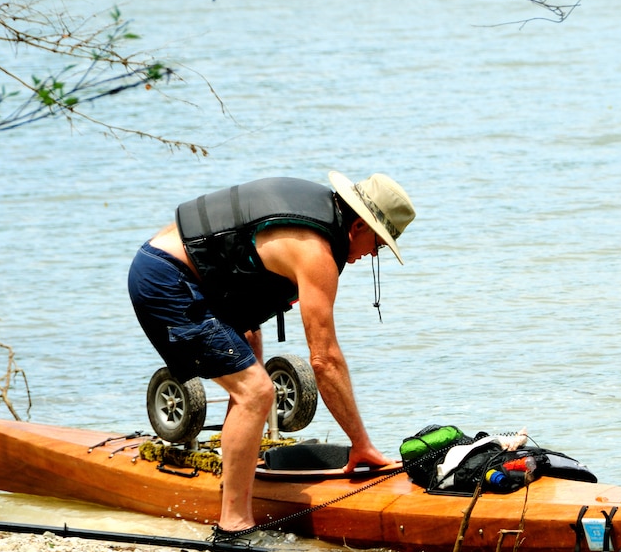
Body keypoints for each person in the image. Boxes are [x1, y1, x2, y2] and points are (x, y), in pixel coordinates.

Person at [127, 171, 416, 533]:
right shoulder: (317, 253)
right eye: (380, 244)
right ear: (358, 225)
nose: (375, 254)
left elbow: (237, 265)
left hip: (179, 270)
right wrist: (361, 444)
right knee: (257, 392)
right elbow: (324, 359)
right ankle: (233, 526)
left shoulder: (314, 214)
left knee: (250, 369)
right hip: (167, 280)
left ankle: (234, 476)